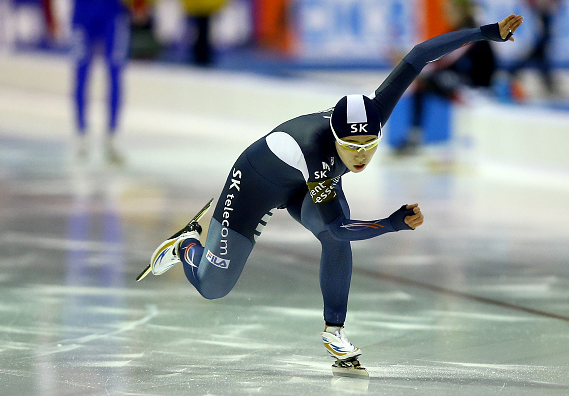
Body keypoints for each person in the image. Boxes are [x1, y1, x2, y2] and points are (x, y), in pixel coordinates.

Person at [145, 15, 523, 371]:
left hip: (303, 183)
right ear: (336, 139)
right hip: (256, 184)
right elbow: (342, 227)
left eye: (369, 145)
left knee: (332, 236)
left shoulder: (376, 110)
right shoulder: (318, 151)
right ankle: (183, 247)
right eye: (351, 146)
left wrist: (486, 33)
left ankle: (334, 331)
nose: (360, 156)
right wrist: (391, 223)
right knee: (214, 287)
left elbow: (419, 56)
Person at [396, 0, 497, 155]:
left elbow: (443, 61)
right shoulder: (458, 31)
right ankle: (415, 136)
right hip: (463, 82)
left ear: (461, 12)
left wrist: (411, 64)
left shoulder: (472, 32)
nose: (446, 15)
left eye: (449, 11)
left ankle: (415, 137)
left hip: (477, 89)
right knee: (424, 83)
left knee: (425, 81)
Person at [43, 0, 132, 165]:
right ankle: (81, 136)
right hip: (83, 13)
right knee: (81, 72)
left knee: (114, 72)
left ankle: (112, 137)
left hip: (111, 12)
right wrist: (50, 16)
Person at [508, 0, 561, 98]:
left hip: (545, 11)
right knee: (539, 50)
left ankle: (514, 71)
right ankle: (513, 71)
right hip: (541, 10)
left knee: (540, 51)